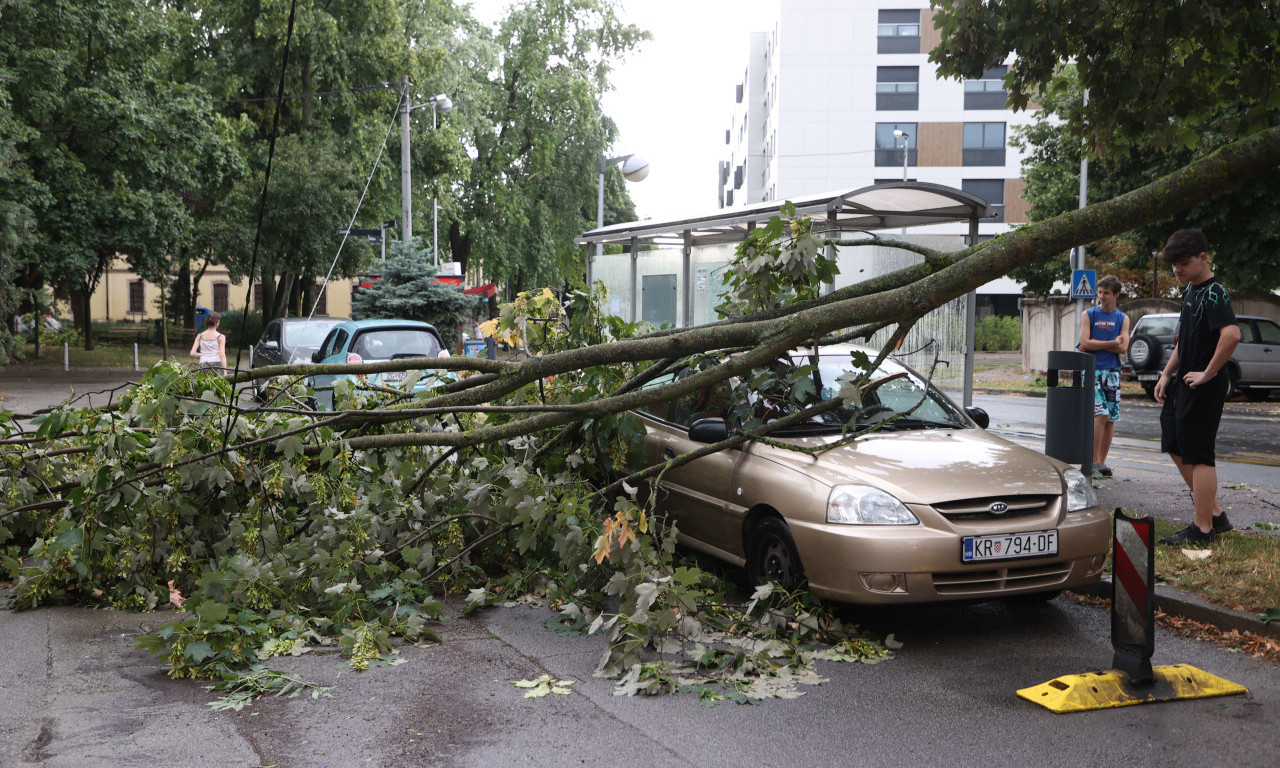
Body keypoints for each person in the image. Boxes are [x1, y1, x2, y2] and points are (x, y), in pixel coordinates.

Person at [1153, 229, 1241, 545]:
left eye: (1183, 262)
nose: (1177, 269)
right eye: (1173, 264)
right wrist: (1166, 374)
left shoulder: (1214, 292)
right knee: (1174, 440)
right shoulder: (1191, 289)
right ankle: (1214, 511)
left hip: (1204, 385)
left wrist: (1207, 373)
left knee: (1200, 454)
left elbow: (1231, 335)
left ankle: (1203, 530)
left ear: (1203, 258)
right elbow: (1185, 340)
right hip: (1184, 383)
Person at [1078, 275, 1130, 478]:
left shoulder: (1122, 318)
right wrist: (1111, 344)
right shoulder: (1088, 314)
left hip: (1113, 373)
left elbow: (1124, 347)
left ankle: (1102, 463)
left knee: (1110, 419)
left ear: (1116, 294)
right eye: (1099, 292)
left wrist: (1098, 344)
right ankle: (1093, 462)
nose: (1101, 297)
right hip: (1091, 371)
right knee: (1100, 414)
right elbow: (1085, 343)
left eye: (1106, 293)